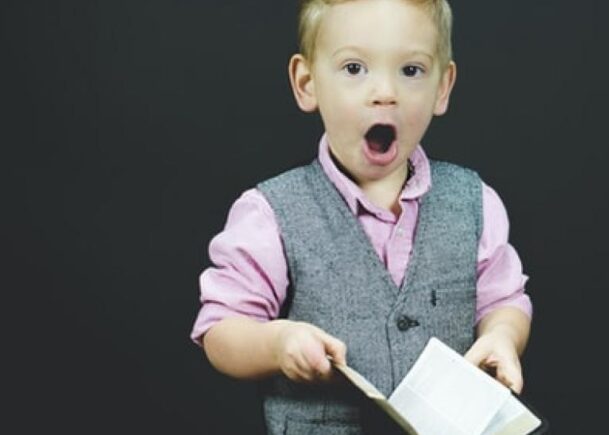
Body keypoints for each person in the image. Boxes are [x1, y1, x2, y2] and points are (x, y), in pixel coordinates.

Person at [189, 0, 533, 432]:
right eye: (354, 68)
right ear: (307, 82)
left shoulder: (474, 202)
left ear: (442, 88)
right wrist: (277, 343)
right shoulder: (270, 214)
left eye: (411, 70)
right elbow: (221, 329)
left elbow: (504, 300)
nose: (384, 92)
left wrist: (502, 335)